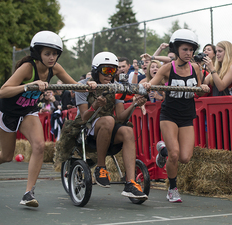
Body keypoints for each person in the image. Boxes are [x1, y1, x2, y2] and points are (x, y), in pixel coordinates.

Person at [0, 30, 82, 207]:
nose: (52, 57)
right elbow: (2, 91)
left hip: (28, 112)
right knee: (7, 156)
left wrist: (90, 84)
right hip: (8, 113)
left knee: (39, 145)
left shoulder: (55, 68)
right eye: (47, 53)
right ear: (37, 53)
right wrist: (28, 86)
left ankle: (28, 193)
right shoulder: (27, 68)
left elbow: (75, 85)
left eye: (55, 53)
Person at [142, 29, 209, 203]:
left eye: (191, 50)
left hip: (187, 116)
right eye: (185, 49)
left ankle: (162, 150)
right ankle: (172, 188)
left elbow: (198, 93)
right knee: (175, 154)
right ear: (176, 49)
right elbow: (152, 84)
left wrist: (203, 90)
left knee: (185, 157)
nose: (189, 53)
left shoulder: (196, 67)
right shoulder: (166, 68)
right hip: (169, 115)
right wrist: (148, 85)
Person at [75, 51, 148, 200]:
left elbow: (121, 117)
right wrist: (95, 105)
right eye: (106, 70)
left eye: (113, 71)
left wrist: (134, 104)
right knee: (108, 119)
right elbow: (83, 117)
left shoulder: (116, 87)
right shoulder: (83, 86)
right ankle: (101, 167)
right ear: (96, 71)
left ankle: (130, 182)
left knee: (127, 130)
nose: (110, 75)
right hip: (87, 127)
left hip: (108, 125)